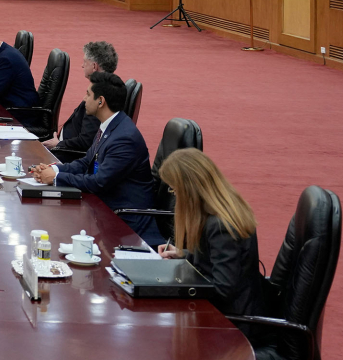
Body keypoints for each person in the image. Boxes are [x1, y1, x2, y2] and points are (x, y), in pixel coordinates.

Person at [30, 71, 158, 243]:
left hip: (127, 225)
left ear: (100, 101)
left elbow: (99, 182)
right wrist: (54, 169)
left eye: (88, 94)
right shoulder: (110, 126)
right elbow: (85, 163)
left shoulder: (124, 138)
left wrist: (56, 178)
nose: (84, 99)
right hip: (105, 211)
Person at [157, 149, 264, 328]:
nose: (174, 194)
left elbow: (223, 289)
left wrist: (171, 288)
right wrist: (184, 254)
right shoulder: (223, 208)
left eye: (174, 189)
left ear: (189, 190)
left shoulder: (220, 226)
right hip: (230, 310)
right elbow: (216, 261)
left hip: (231, 323)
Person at [44, 41, 117, 162]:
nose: (82, 66)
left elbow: (86, 141)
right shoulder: (106, 87)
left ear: (94, 66)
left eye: (85, 62)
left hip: (68, 156)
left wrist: (59, 144)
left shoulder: (99, 97)